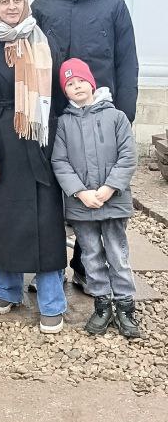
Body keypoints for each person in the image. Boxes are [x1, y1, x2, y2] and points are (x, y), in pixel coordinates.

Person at [32, 0, 140, 291]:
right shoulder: (43, 6)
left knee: (95, 186)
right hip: (54, 114)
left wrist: (125, 112)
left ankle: (85, 267)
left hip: (101, 114)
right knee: (54, 188)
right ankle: (49, 266)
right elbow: (30, 60)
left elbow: (127, 60)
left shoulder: (113, 5)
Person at [0, 0, 68, 333]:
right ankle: (7, 289)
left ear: (25, 2)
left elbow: (62, 95)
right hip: (0, 144)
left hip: (39, 140)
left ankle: (52, 300)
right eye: (4, 1)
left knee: (45, 223)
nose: (11, 7)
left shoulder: (44, 41)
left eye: (17, 0)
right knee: (1, 220)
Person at [51, 58, 141, 340]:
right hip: (82, 205)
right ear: (65, 90)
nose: (77, 86)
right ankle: (101, 304)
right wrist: (80, 192)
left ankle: (125, 306)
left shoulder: (116, 117)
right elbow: (60, 161)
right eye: (70, 84)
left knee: (117, 253)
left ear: (91, 83)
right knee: (91, 255)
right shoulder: (64, 123)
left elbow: (128, 156)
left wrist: (110, 187)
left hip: (113, 201)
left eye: (81, 81)